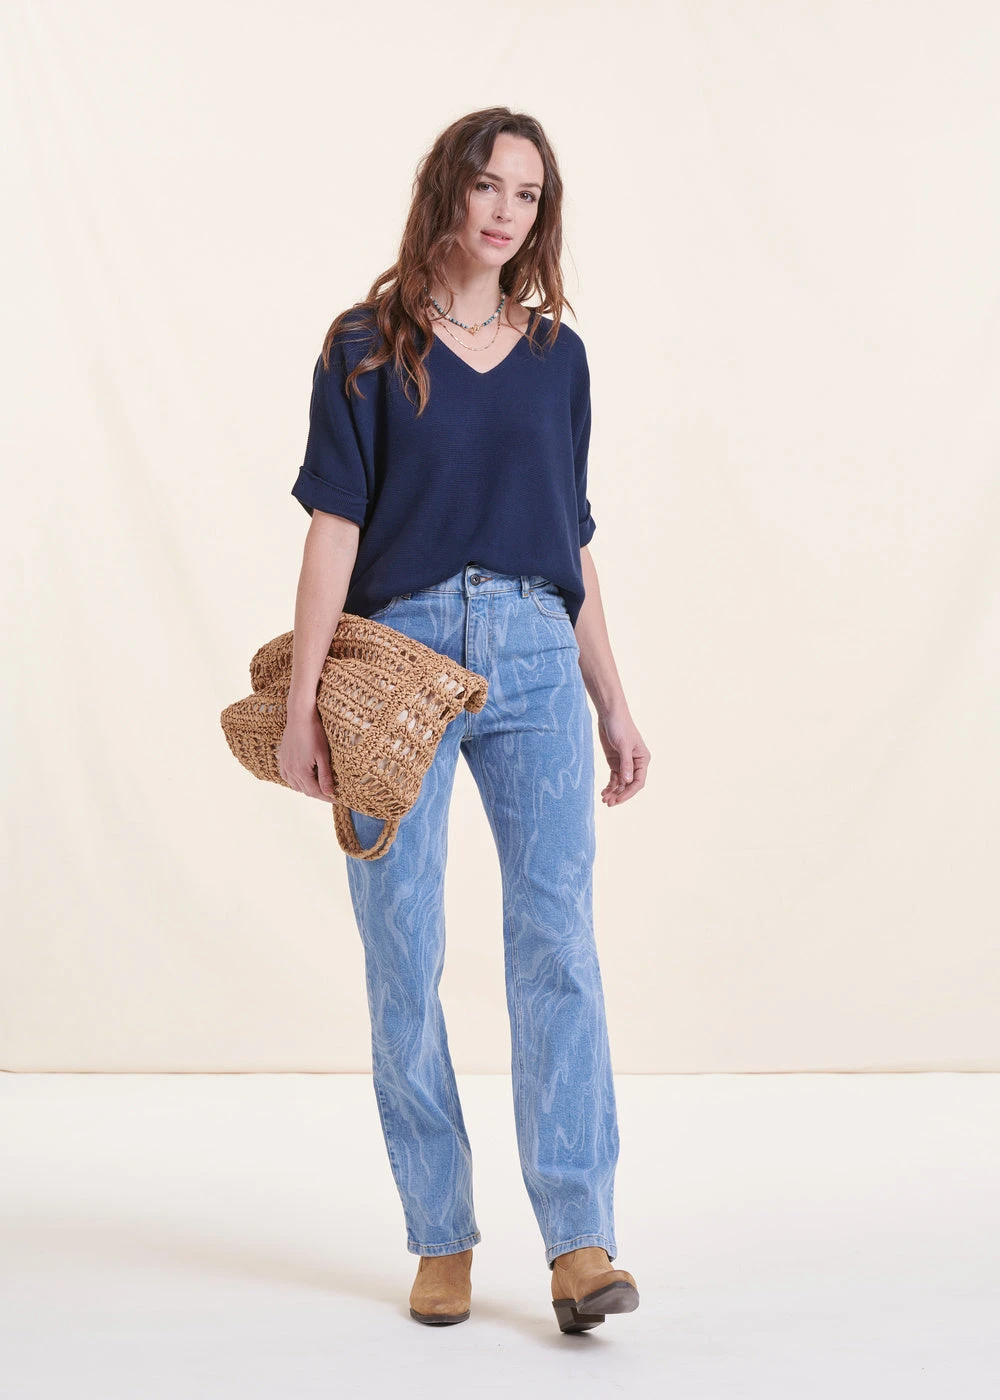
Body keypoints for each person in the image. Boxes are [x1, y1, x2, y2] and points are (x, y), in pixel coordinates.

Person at [276, 107, 650, 1333]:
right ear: (447, 189)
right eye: (487, 185)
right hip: (398, 660)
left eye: (527, 195)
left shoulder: (558, 357)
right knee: (401, 946)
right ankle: (440, 1232)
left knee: (557, 940)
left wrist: (611, 698)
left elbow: (571, 539)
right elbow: (333, 530)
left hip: (538, 654)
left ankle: (580, 1239)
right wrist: (303, 703)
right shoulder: (365, 345)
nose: (504, 211)